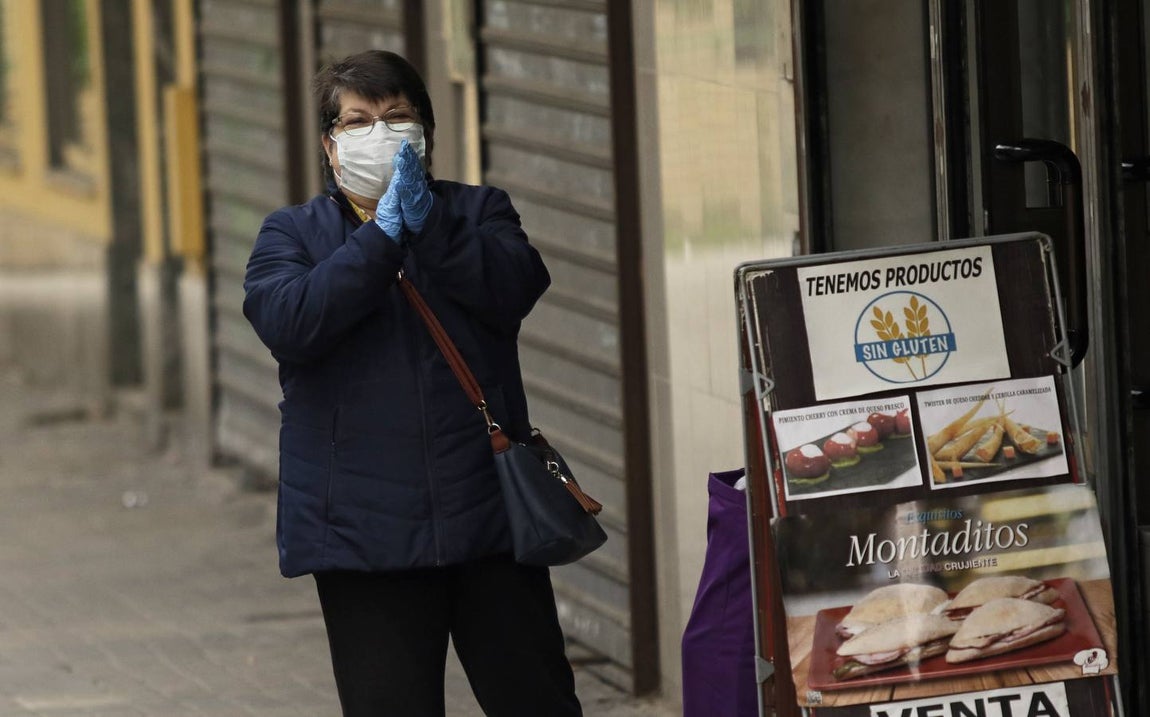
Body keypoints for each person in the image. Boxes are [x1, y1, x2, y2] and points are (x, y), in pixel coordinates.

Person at [242, 49, 582, 717]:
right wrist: (384, 237)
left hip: (490, 520)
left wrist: (431, 228)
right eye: (358, 120)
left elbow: (515, 286)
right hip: (362, 537)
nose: (380, 132)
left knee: (538, 701)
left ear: (424, 132)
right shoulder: (292, 234)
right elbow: (292, 321)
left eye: (396, 116)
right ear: (328, 144)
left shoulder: (480, 212)